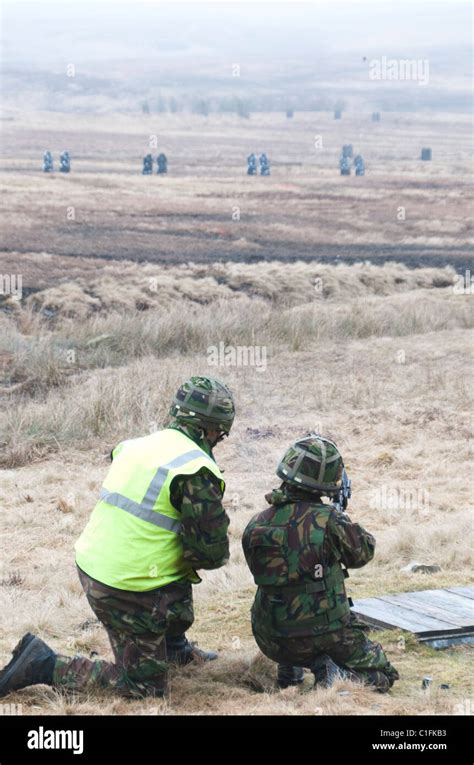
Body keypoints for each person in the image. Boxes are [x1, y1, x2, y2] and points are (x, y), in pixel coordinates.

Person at [0, 376, 235, 700]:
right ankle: (42, 663)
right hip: (128, 587)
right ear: (211, 430)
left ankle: (173, 648)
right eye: (219, 434)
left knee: (175, 570)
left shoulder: (137, 445)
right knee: (146, 690)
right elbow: (209, 554)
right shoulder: (196, 470)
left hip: (94, 567)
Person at [242, 434, 399, 692]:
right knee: (383, 675)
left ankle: (290, 667)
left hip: (270, 637)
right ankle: (332, 672)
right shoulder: (330, 521)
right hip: (322, 635)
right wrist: (340, 517)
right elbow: (364, 552)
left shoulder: (256, 522)